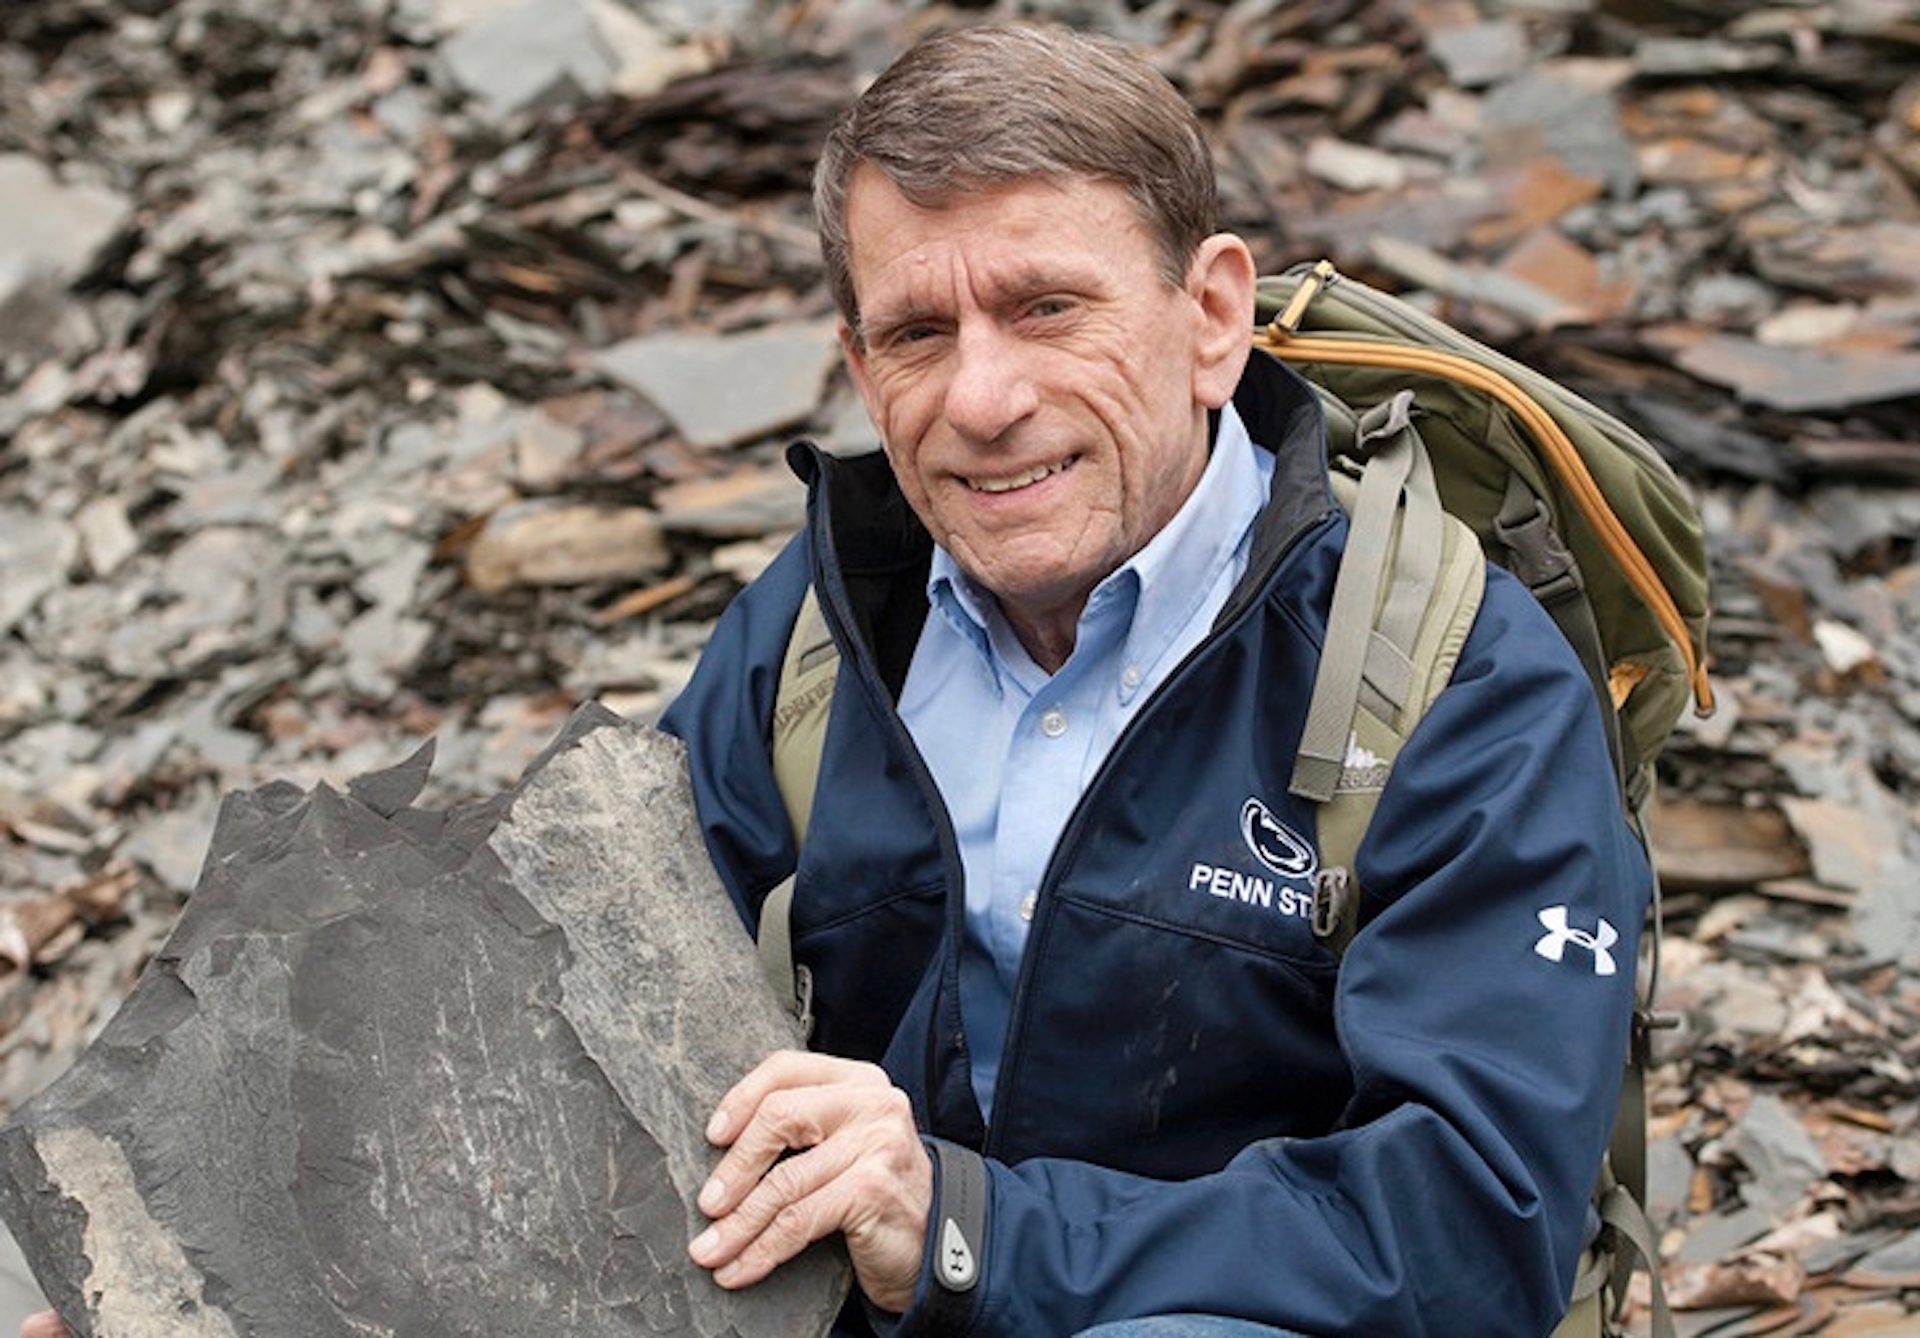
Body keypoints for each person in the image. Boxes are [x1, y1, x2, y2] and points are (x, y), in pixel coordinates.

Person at [20, 22, 1650, 1338]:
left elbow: (1471, 1230)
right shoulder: (822, 630)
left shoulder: (1444, 678)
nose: (986, 396)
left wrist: (962, 1227)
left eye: (1047, 306)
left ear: (1211, 313)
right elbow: (561, 1037)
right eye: (918, 333)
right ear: (859, 364)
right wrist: (190, 1276)